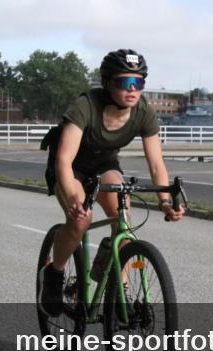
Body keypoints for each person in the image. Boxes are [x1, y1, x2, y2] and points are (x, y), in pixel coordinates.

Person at [38, 49, 185, 316]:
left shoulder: (143, 113)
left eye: (138, 83)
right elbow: (64, 159)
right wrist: (74, 200)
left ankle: (118, 288)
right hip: (70, 166)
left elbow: (156, 164)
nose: (132, 89)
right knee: (81, 219)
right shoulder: (86, 105)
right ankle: (54, 273)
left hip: (104, 165)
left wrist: (165, 202)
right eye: (124, 82)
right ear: (107, 83)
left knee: (124, 220)